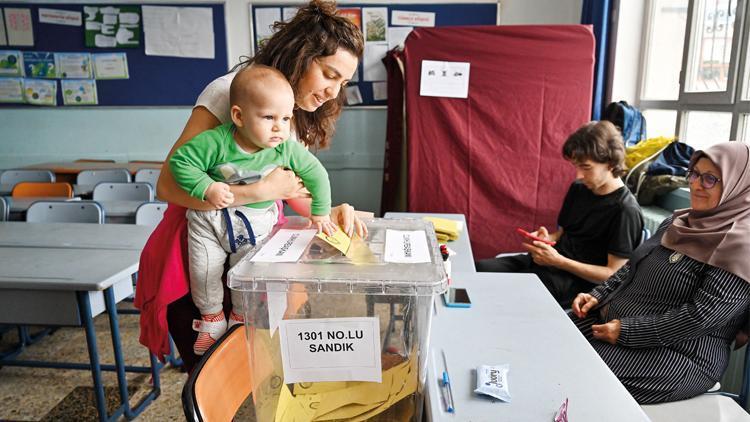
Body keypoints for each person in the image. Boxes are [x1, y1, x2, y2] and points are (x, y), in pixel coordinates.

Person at [134, 0, 366, 371]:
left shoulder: (291, 114)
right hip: (198, 254)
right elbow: (167, 185)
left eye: (342, 83)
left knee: (255, 374)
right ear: (300, 54)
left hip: (250, 253)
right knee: (214, 378)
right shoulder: (230, 93)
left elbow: (286, 185)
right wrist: (255, 194)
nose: (332, 92)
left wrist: (326, 210)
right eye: (328, 74)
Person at [169, 65, 337, 355]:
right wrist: (206, 187)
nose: (279, 127)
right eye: (269, 117)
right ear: (238, 116)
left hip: (256, 222)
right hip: (209, 221)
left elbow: (317, 174)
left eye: (286, 118)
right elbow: (180, 163)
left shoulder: (285, 147)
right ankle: (211, 320)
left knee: (246, 273)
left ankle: (238, 318)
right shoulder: (216, 141)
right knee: (204, 270)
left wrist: (320, 213)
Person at [570, 142, 750, 404]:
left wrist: (629, 331)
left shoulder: (741, 246)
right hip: (616, 326)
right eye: (695, 174)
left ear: (738, 186)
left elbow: (700, 318)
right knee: (548, 338)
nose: (698, 184)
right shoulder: (678, 222)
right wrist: (598, 294)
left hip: (679, 355)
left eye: (711, 178)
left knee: (571, 371)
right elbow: (633, 266)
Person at [475, 121, 643, 307]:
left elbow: (613, 274)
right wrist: (547, 239)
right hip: (549, 264)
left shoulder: (625, 210)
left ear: (611, 163)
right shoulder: (580, 188)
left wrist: (560, 261)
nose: (578, 175)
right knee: (479, 270)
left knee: (497, 296)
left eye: (586, 167)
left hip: (576, 283)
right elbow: (564, 233)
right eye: (575, 166)